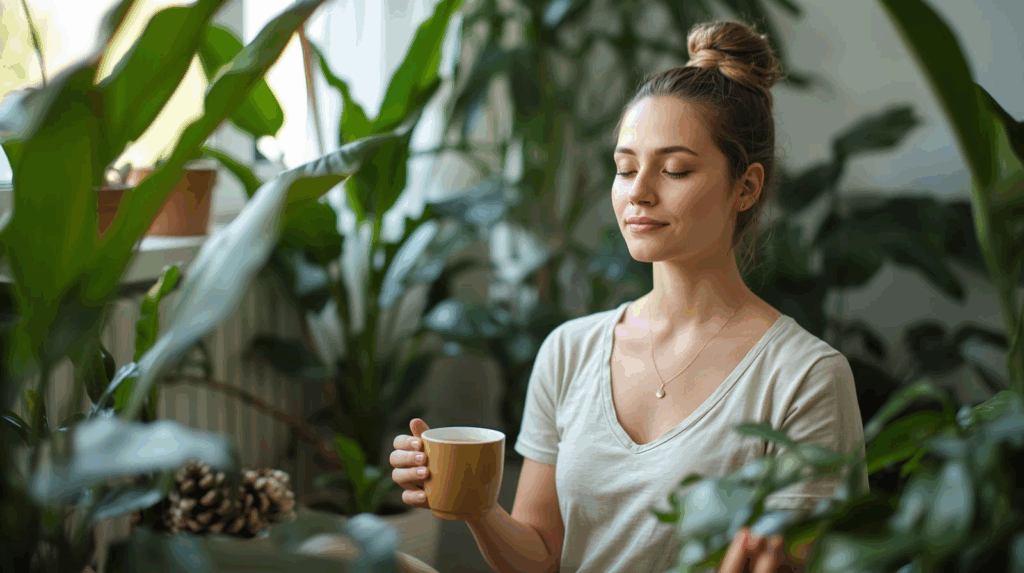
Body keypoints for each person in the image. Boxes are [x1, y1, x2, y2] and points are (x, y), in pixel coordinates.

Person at [389, 18, 868, 573]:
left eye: (675, 169)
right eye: (625, 168)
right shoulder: (569, 351)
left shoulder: (804, 377)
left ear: (747, 187)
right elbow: (542, 557)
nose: (638, 192)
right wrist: (475, 507)